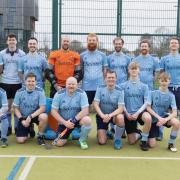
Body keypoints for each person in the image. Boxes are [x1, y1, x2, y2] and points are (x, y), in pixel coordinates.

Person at [51, 77, 92, 150]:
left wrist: (73, 120)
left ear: (77, 85)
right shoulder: (58, 94)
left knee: (87, 120)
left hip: (77, 120)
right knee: (59, 143)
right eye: (69, 84)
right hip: (64, 122)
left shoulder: (82, 93)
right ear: (65, 85)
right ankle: (69, 135)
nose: (71, 86)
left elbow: (85, 110)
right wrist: (65, 123)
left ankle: (82, 140)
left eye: (73, 84)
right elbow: (53, 111)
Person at [120, 62, 152, 151]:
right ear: (128, 71)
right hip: (128, 114)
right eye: (132, 68)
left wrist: (138, 113)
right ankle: (139, 133)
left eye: (136, 68)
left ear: (139, 70)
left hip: (140, 112)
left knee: (148, 118)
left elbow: (146, 102)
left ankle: (144, 141)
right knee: (131, 141)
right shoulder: (123, 86)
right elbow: (121, 102)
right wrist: (126, 113)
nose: (134, 70)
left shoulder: (144, 86)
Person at [147, 72, 180, 152]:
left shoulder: (171, 96)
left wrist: (164, 120)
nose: (164, 83)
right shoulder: (152, 93)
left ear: (169, 81)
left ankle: (171, 143)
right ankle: (145, 134)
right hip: (154, 119)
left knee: (177, 122)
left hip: (164, 118)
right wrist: (159, 118)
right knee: (152, 145)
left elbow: (175, 112)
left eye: (166, 81)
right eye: (162, 81)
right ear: (159, 81)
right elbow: (148, 108)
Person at [0, 33, 25, 135]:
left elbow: (22, 70)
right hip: (5, 82)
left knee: (16, 106)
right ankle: (9, 127)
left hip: (17, 83)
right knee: (7, 107)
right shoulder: (1, 53)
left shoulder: (22, 54)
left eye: (13, 40)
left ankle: (17, 127)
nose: (11, 42)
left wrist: (23, 82)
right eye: (9, 40)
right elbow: (1, 69)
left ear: (16, 41)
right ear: (7, 42)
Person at [13, 73, 48, 145]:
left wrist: (30, 116)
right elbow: (15, 108)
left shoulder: (40, 91)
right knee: (20, 140)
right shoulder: (19, 92)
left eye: (33, 81)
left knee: (44, 116)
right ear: (25, 82)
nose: (31, 83)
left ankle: (40, 136)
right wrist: (21, 120)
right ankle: (29, 128)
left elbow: (42, 108)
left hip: (35, 115)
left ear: (36, 82)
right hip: (24, 117)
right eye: (29, 81)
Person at [93, 70, 124, 149]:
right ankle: (106, 132)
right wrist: (103, 116)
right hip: (102, 116)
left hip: (113, 116)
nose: (111, 79)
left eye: (113, 77)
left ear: (116, 78)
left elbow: (120, 109)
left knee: (120, 117)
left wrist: (109, 115)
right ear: (105, 79)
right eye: (109, 77)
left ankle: (117, 139)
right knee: (102, 142)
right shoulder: (99, 88)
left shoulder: (120, 91)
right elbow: (95, 104)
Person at [107, 37, 131, 139]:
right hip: (112, 87)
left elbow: (129, 73)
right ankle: (112, 127)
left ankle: (122, 128)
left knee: (122, 107)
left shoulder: (127, 58)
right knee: (112, 106)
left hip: (123, 87)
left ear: (122, 45)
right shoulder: (109, 58)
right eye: (116, 44)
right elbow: (107, 72)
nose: (118, 45)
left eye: (119, 44)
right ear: (113, 44)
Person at [159, 37, 180, 141]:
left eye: (175, 43)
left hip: (179, 88)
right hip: (168, 88)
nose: (174, 44)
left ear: (178, 45)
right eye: (172, 43)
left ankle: (176, 133)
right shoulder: (164, 58)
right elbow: (162, 73)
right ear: (169, 45)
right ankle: (160, 132)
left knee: (178, 111)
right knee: (165, 110)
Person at [80, 33, 107, 105]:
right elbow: (81, 70)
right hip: (86, 86)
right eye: (90, 40)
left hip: (99, 86)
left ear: (97, 41)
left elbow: (104, 71)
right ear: (87, 41)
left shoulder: (102, 55)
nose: (91, 42)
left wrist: (104, 83)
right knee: (85, 108)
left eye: (93, 40)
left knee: (101, 109)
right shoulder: (82, 55)